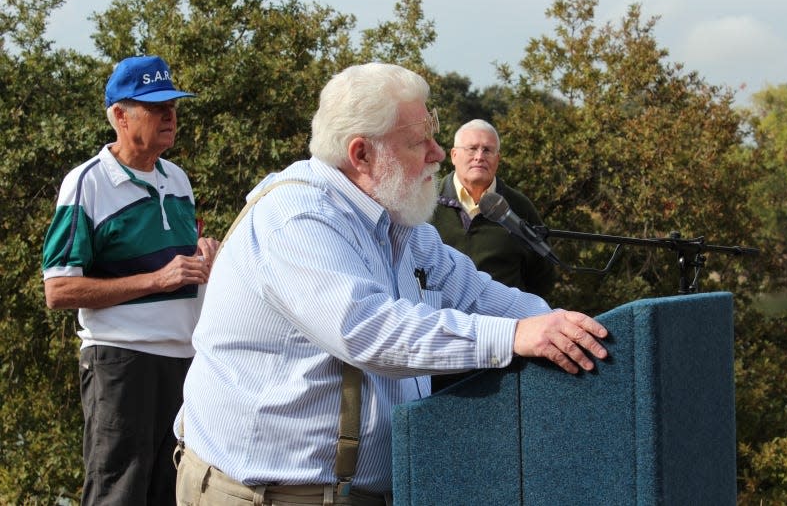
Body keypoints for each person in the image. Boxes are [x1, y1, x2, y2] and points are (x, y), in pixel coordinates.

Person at [175, 62, 608, 506]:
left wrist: (573, 330)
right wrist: (516, 336)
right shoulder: (296, 217)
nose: (438, 154)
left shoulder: (399, 222)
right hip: (263, 497)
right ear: (361, 154)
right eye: (419, 141)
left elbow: (476, 293)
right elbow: (368, 330)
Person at [42, 55, 219, 506]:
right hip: (122, 362)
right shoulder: (86, 183)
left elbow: (177, 273)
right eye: (156, 106)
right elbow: (58, 290)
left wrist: (207, 264)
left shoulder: (177, 180)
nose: (169, 116)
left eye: (173, 105)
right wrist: (158, 279)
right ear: (119, 116)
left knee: (171, 494)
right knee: (117, 495)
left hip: (184, 363)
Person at [429, 119, 556, 391]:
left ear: (498, 159)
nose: (479, 156)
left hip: (505, 355)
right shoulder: (426, 203)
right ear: (453, 155)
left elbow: (542, 277)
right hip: (438, 352)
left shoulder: (519, 208)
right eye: (471, 148)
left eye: (487, 150)